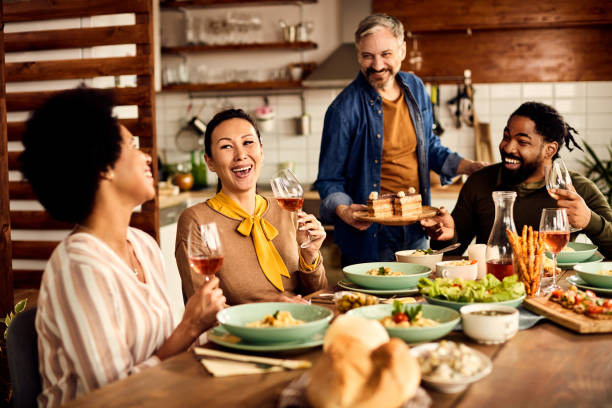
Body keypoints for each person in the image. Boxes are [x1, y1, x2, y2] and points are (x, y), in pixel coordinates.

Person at [19, 88, 226, 407]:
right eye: (132, 145)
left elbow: (165, 344)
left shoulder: (142, 245)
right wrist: (189, 327)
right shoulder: (79, 267)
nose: (146, 157)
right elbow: (113, 394)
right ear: (103, 167)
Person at [314, 13, 486, 265]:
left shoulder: (415, 88)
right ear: (358, 54)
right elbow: (329, 180)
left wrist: (468, 166)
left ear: (402, 50)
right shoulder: (342, 110)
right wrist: (343, 211)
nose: (377, 64)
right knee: (374, 303)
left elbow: (429, 146)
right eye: (367, 56)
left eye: (386, 54)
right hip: (371, 234)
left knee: (416, 298)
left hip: (416, 225)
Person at [421, 101, 612, 259]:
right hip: (493, 290)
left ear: (550, 150)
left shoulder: (578, 189)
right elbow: (449, 255)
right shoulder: (479, 182)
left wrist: (589, 220)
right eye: (506, 137)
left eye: (522, 142)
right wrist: (444, 236)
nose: (508, 147)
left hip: (555, 290)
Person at [175, 109, 328, 305]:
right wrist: (270, 313)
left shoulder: (286, 210)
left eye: (248, 143)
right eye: (226, 146)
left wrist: (310, 256)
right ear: (210, 162)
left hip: (301, 326)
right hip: (244, 334)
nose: (241, 155)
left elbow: (320, 297)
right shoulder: (196, 221)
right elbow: (205, 308)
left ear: (261, 151)